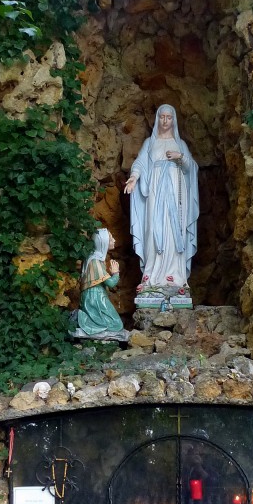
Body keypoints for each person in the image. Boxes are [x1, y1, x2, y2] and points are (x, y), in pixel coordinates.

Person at [124, 104, 199, 292]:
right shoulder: (150, 142)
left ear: (174, 120)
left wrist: (179, 157)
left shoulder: (180, 144)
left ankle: (174, 275)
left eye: (169, 117)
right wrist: (133, 178)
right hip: (155, 191)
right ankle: (152, 275)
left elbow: (192, 168)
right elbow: (140, 162)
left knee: (174, 232)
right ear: (158, 119)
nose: (165, 121)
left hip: (176, 191)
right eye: (162, 117)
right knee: (152, 228)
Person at [69, 229, 128, 340]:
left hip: (95, 295)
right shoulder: (95, 261)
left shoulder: (93, 259)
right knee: (116, 325)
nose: (114, 240)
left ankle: (82, 318)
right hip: (95, 297)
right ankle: (80, 318)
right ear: (103, 241)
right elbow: (111, 283)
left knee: (114, 324)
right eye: (111, 238)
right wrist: (115, 273)